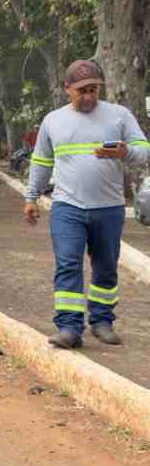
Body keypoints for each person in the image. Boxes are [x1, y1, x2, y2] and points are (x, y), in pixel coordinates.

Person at [23, 60, 149, 348]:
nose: (89, 96)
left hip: (109, 208)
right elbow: (42, 162)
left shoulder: (119, 115)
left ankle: (102, 321)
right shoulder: (53, 121)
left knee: (105, 266)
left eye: (94, 89)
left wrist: (125, 151)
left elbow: (144, 150)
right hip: (67, 207)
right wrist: (31, 197)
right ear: (67, 89)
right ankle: (69, 327)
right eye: (82, 91)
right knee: (68, 264)